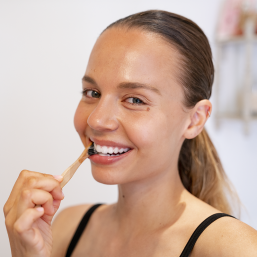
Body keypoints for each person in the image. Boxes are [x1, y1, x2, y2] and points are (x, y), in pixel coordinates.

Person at [4, 10, 257, 257]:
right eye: (92, 93)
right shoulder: (64, 229)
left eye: (135, 99)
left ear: (194, 119)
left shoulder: (236, 249)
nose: (97, 119)